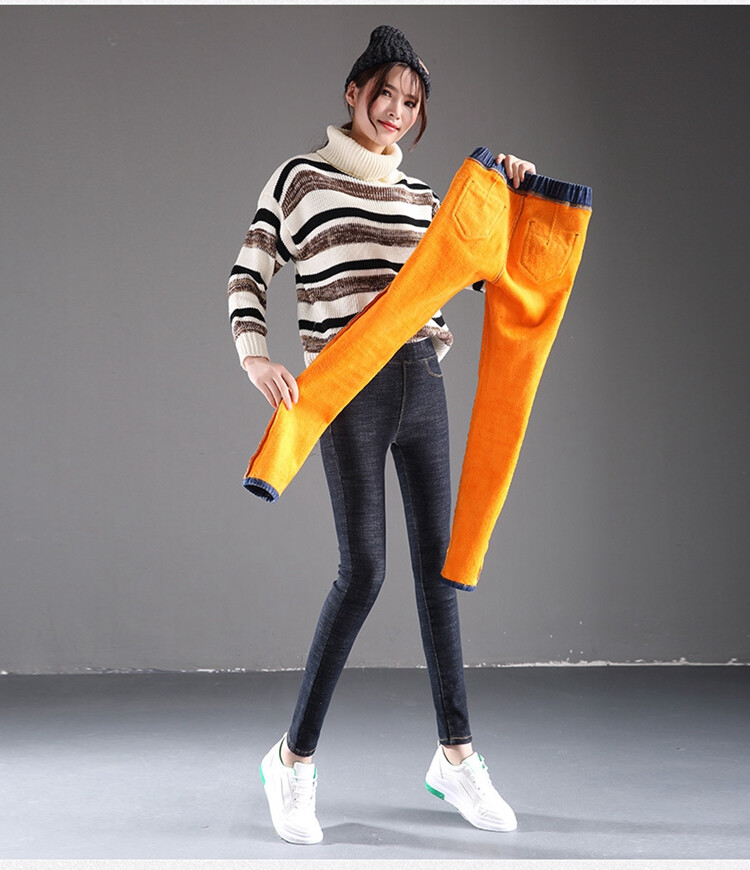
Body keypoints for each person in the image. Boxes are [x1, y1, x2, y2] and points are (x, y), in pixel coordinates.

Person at [228, 25, 536, 845]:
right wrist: (255, 355)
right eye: (384, 94)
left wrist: (511, 193)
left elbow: (493, 273)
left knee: (440, 574)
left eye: (411, 102)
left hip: (423, 383)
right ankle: (291, 762)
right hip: (348, 389)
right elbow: (250, 270)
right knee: (363, 570)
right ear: (353, 93)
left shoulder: (427, 199)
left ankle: (456, 755)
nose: (396, 111)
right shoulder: (301, 179)